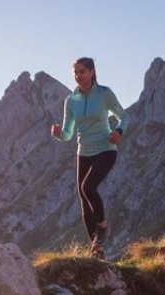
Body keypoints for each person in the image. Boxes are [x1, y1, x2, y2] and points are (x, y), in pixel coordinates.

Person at [50, 57, 129, 260]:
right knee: (84, 202)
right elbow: (68, 134)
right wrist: (58, 134)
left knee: (87, 188)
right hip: (83, 152)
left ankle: (102, 226)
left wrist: (119, 131)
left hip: (105, 149)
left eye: (82, 71)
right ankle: (97, 250)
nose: (78, 76)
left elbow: (124, 116)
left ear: (92, 72)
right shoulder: (71, 101)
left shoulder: (104, 94)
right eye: (75, 72)